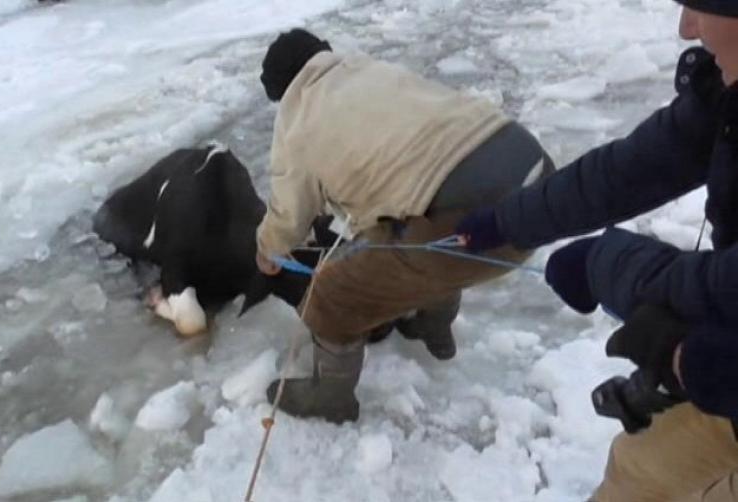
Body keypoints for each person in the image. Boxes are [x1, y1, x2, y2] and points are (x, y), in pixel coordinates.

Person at [454, 2, 738, 500]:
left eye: (702, 6)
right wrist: (506, 221)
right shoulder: (728, 92)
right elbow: (629, 171)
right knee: (642, 468)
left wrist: (607, 266)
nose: (686, 28)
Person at [254, 28, 553, 423]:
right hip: (538, 180)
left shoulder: (296, 124)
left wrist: (267, 250)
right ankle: (433, 325)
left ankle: (330, 398)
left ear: (281, 91)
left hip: (465, 217)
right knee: (410, 229)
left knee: (332, 294)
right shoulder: (370, 69)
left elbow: (289, 218)